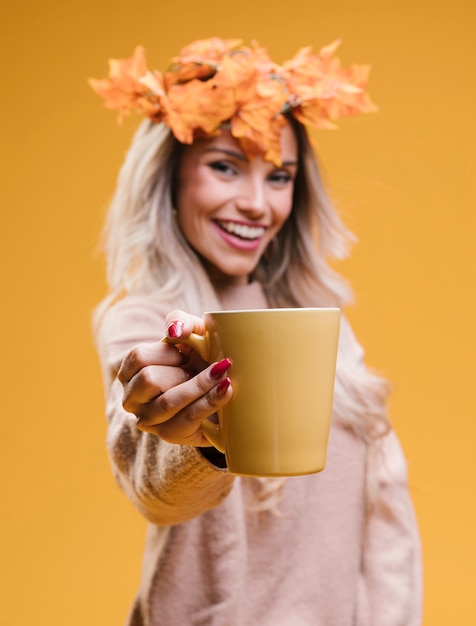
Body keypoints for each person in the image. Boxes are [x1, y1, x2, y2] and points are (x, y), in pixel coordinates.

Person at [90, 37, 422, 625]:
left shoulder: (324, 325)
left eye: (280, 176)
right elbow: (156, 492)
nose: (256, 204)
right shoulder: (145, 322)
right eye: (224, 166)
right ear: (170, 180)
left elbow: (388, 519)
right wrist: (193, 435)